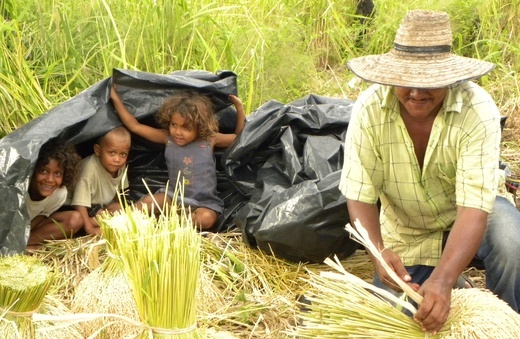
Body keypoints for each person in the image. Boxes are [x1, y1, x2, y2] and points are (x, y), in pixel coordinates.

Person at [339, 9, 520, 335]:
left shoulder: (477, 109)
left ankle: (509, 323)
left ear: (449, 77)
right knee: (404, 316)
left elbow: (473, 209)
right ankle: (456, 284)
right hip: (408, 225)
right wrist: (378, 251)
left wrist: (443, 278)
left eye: (430, 82)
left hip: (472, 213)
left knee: (513, 245)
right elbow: (359, 194)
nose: (416, 93)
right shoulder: (368, 110)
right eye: (406, 81)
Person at [110, 84, 246, 230]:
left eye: (186, 128)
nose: (178, 132)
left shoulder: (209, 139)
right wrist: (115, 97)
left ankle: (169, 224)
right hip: (172, 198)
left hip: (203, 202)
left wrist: (239, 107)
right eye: (174, 125)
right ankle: (120, 220)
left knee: (205, 219)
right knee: (149, 202)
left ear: (199, 126)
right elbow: (134, 126)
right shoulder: (167, 138)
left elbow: (240, 139)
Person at [71, 126, 131, 236]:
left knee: (120, 210)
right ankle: (86, 226)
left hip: (101, 204)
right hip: (82, 206)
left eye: (123, 154)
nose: (117, 159)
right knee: (105, 216)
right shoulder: (89, 170)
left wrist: (120, 207)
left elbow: (121, 192)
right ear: (98, 150)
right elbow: (79, 204)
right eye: (112, 153)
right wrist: (90, 230)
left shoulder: (121, 167)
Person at [26, 138, 83, 249]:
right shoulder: (19, 189)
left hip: (27, 227)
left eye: (57, 173)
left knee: (75, 219)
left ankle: (23, 245)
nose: (50, 179)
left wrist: (24, 235)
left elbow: (42, 216)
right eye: (44, 171)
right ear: (33, 169)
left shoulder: (59, 194)